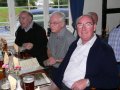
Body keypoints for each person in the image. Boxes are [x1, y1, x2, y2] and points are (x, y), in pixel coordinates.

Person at [51, 14, 119, 90]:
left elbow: (114, 81)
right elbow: (63, 66)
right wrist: (54, 83)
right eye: (80, 25)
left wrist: (88, 81)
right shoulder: (74, 44)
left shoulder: (104, 49)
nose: (83, 28)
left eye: (88, 24)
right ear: (77, 28)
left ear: (94, 27)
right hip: (61, 85)